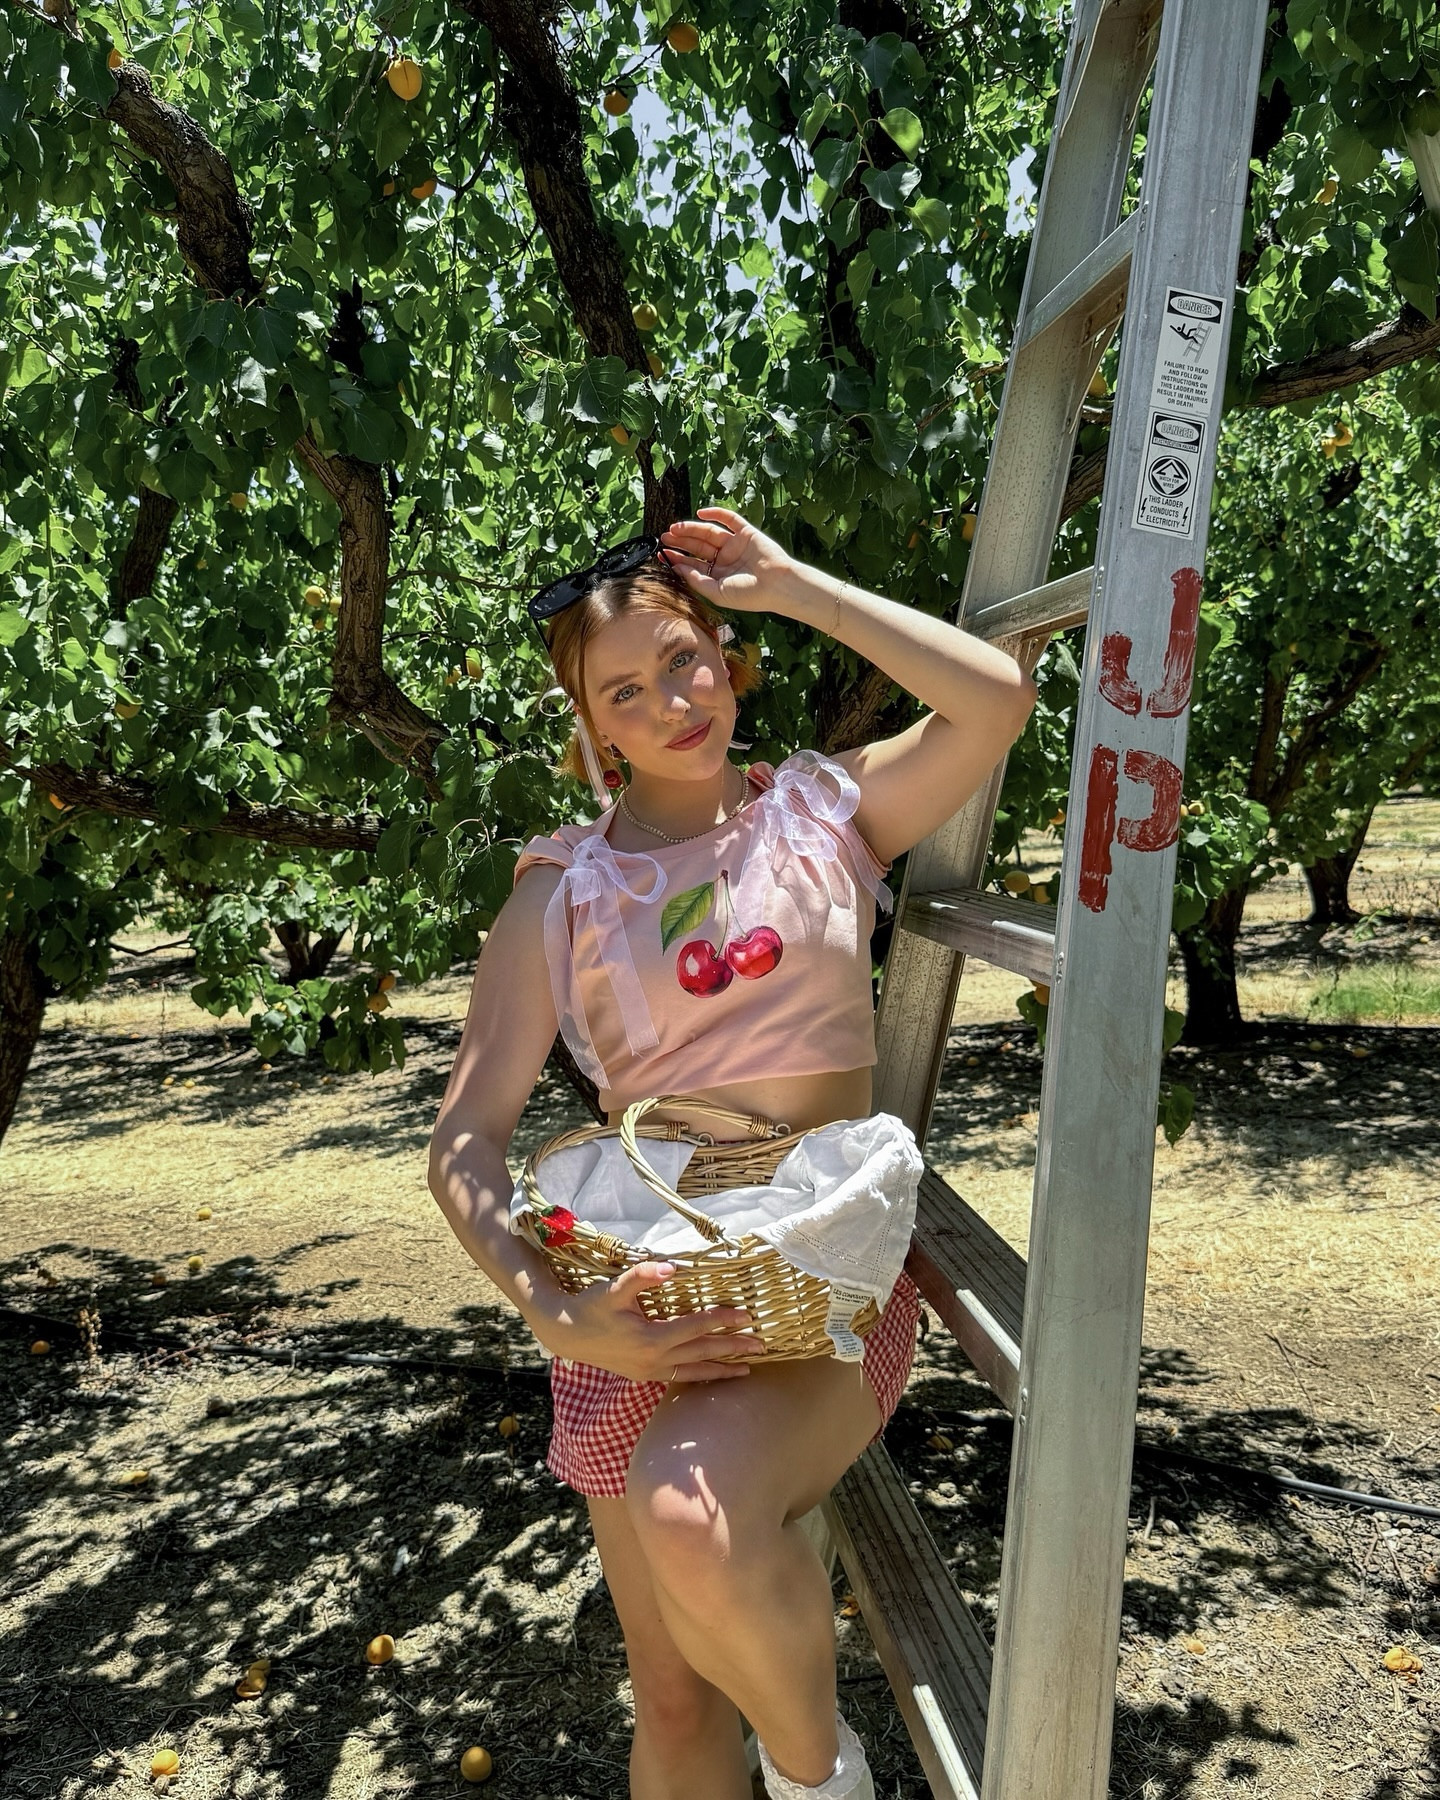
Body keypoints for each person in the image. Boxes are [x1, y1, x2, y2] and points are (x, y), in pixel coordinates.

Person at [428, 506, 1035, 1800]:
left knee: (691, 1506)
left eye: (685, 660)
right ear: (593, 726)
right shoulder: (563, 890)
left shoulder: (823, 813)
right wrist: (561, 1316)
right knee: (671, 1694)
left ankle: (822, 1782)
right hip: (638, 1309)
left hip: (815, 1291)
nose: (670, 703)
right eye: (624, 692)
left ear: (726, 654)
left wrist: (799, 585)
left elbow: (995, 700)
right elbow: (465, 1143)